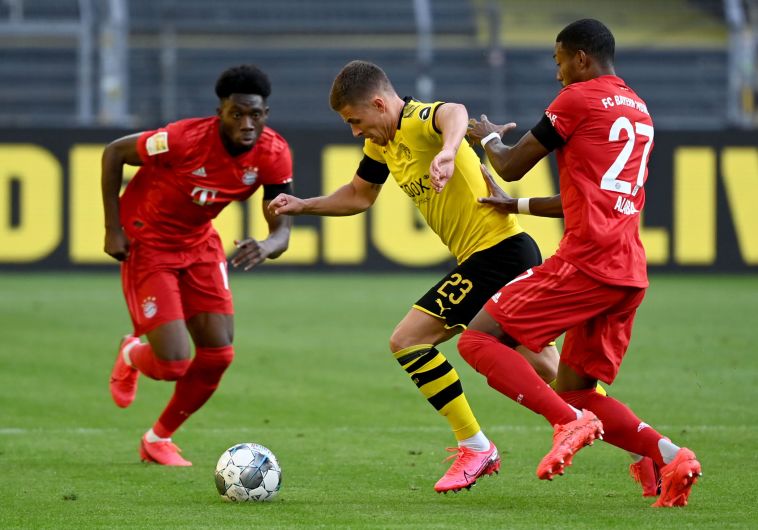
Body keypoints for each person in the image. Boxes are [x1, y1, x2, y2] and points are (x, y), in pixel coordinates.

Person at [268, 60, 562, 493]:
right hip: (492, 257)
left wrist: (447, 151)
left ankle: (476, 446)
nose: (354, 131)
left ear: (379, 103)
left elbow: (455, 112)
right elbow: (358, 195)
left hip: (499, 255)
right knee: (549, 369)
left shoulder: (417, 119)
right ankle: (645, 446)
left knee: (408, 340)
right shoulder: (382, 145)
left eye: (355, 120)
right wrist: (303, 205)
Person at [460, 19, 701, 507]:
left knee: (478, 338)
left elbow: (509, 162)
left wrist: (485, 138)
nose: (558, 75)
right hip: (627, 271)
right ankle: (671, 457)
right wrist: (518, 206)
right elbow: (589, 195)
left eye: (559, 62)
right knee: (576, 389)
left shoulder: (577, 99)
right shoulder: (639, 109)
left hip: (587, 261)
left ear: (581, 58)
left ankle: (566, 423)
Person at [102, 64, 294, 466]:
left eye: (255, 115)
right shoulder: (181, 139)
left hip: (199, 243)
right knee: (172, 364)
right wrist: (113, 229)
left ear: (266, 115)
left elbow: (282, 231)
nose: (246, 123)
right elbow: (114, 152)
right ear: (220, 110)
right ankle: (132, 353)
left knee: (218, 355)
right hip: (148, 241)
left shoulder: (273, 153)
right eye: (237, 113)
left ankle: (158, 439)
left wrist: (267, 244)